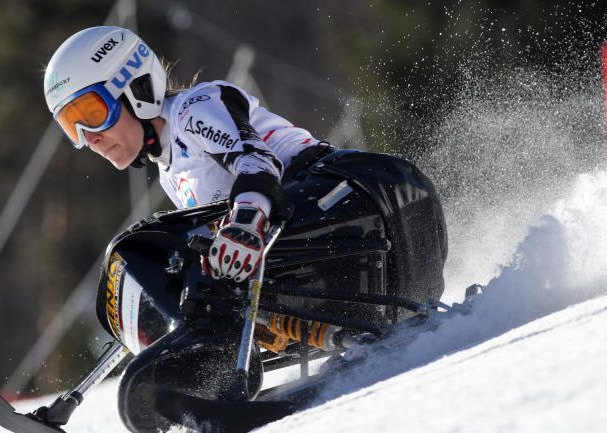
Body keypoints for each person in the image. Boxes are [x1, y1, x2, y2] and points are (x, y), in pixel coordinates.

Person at [44, 25, 446, 296]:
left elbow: (256, 161)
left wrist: (245, 225)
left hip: (369, 192)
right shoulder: (170, 171)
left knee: (168, 256)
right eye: (71, 126)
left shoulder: (193, 108)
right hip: (340, 232)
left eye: (91, 114)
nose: (88, 138)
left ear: (135, 87)